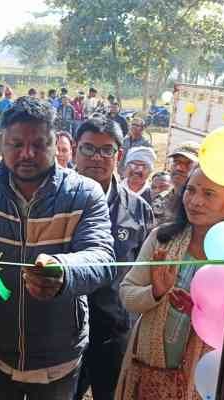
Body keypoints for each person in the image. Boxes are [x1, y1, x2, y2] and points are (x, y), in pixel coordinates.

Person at [0, 96, 116, 400]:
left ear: (57, 142)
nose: (27, 154)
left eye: (39, 144)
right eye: (16, 144)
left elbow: (102, 258)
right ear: (1, 142)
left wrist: (63, 271)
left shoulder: (84, 193)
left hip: (59, 358)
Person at [116, 167, 224, 400]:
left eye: (209, 194)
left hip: (202, 381)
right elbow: (126, 295)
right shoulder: (162, 240)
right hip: (146, 371)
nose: (195, 201)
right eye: (190, 190)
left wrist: (201, 313)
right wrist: (155, 292)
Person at [73, 117, 154, 400]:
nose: (97, 157)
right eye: (88, 149)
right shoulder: (51, 203)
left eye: (107, 150)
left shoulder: (138, 210)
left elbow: (144, 274)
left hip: (114, 334)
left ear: (118, 155)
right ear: (74, 150)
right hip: (62, 335)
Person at [151, 141, 200, 226]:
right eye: (176, 161)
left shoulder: (200, 205)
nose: (179, 168)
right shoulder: (160, 200)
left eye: (188, 163)